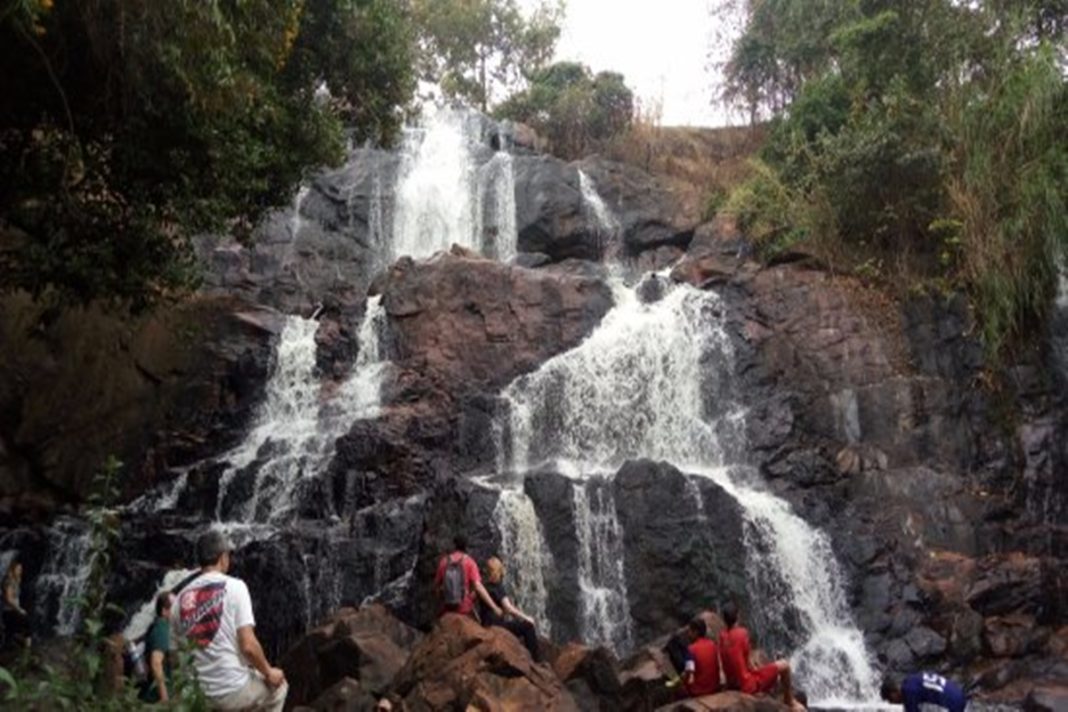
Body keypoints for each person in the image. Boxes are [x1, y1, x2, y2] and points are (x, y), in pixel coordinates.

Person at [173, 530, 287, 711]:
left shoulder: (179, 599)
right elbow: (248, 645)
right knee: (279, 688)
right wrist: (268, 671)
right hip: (230, 690)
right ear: (223, 557)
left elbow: (176, 655)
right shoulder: (235, 587)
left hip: (195, 694)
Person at [718, 601, 803, 710]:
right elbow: (749, 663)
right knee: (785, 665)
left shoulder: (722, 635)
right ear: (738, 616)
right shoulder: (742, 633)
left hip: (731, 683)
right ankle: (789, 700)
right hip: (746, 685)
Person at [478, 556, 540, 661]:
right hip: (497, 626)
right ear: (499, 571)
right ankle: (535, 660)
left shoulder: (483, 586)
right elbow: (508, 608)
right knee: (528, 627)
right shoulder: (497, 587)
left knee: (516, 624)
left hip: (486, 624)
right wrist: (526, 617)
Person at [433, 535, 502, 621]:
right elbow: (478, 587)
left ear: (454, 546)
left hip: (447, 608)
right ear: (466, 547)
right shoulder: (470, 562)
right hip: (464, 609)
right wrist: (494, 607)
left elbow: (436, 586)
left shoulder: (444, 561)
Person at [140, 591, 174, 703]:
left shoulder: (158, 626)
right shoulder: (161, 629)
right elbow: (156, 662)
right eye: (175, 606)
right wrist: (164, 697)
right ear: (164, 611)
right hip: (155, 699)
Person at [881, 672, 967, 712]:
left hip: (954, 704)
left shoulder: (909, 693)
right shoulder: (910, 680)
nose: (892, 703)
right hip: (958, 694)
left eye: (890, 700)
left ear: (893, 693)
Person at [681, 617, 721, 698]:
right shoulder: (712, 645)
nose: (688, 634)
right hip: (715, 687)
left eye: (690, 631)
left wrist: (682, 680)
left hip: (699, 691)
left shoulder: (691, 649)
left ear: (696, 632)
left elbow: (689, 672)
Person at [2, 558, 31, 648]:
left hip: (12, 611)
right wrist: (19, 610)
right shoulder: (9, 581)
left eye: (21, 569)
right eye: (18, 569)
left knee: (10, 633)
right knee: (27, 624)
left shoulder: (16, 580)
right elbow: (9, 599)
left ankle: (14, 648)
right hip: (9, 611)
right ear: (12, 569)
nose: (20, 571)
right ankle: (27, 649)